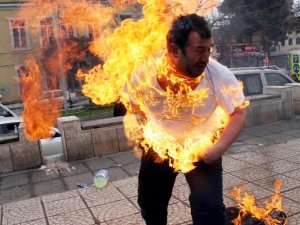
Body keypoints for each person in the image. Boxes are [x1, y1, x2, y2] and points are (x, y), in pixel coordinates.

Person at [128, 14, 246, 225]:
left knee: (209, 210)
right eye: (200, 50)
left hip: (202, 149)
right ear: (174, 49)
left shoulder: (218, 75)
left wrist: (217, 149)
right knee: (150, 204)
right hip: (159, 148)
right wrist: (152, 129)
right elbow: (133, 102)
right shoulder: (143, 72)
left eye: (209, 50)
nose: (205, 57)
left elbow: (238, 113)